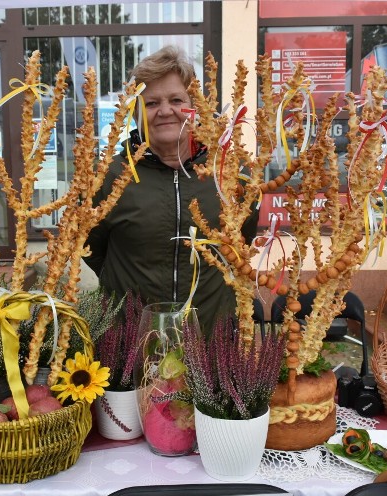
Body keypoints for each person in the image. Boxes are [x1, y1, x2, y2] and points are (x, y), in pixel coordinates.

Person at [84, 45, 258, 330]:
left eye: (176, 100)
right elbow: (90, 245)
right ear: (137, 112)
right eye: (151, 103)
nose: (165, 111)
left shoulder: (228, 175)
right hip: (131, 340)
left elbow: (242, 239)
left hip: (212, 338)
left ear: (196, 106)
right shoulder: (110, 176)